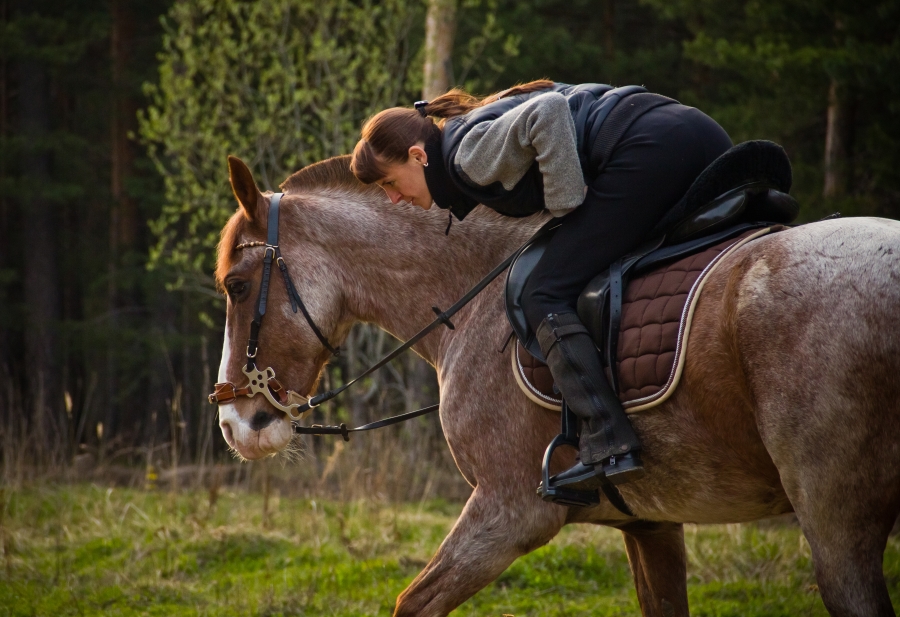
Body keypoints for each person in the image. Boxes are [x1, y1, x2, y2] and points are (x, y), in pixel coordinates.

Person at [350, 80, 733, 492]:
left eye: (389, 183)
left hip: (651, 149)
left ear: (418, 156)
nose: (392, 199)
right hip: (697, 134)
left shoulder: (466, 156)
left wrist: (564, 205)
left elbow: (548, 110)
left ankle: (609, 439)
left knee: (542, 291)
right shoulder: (465, 134)